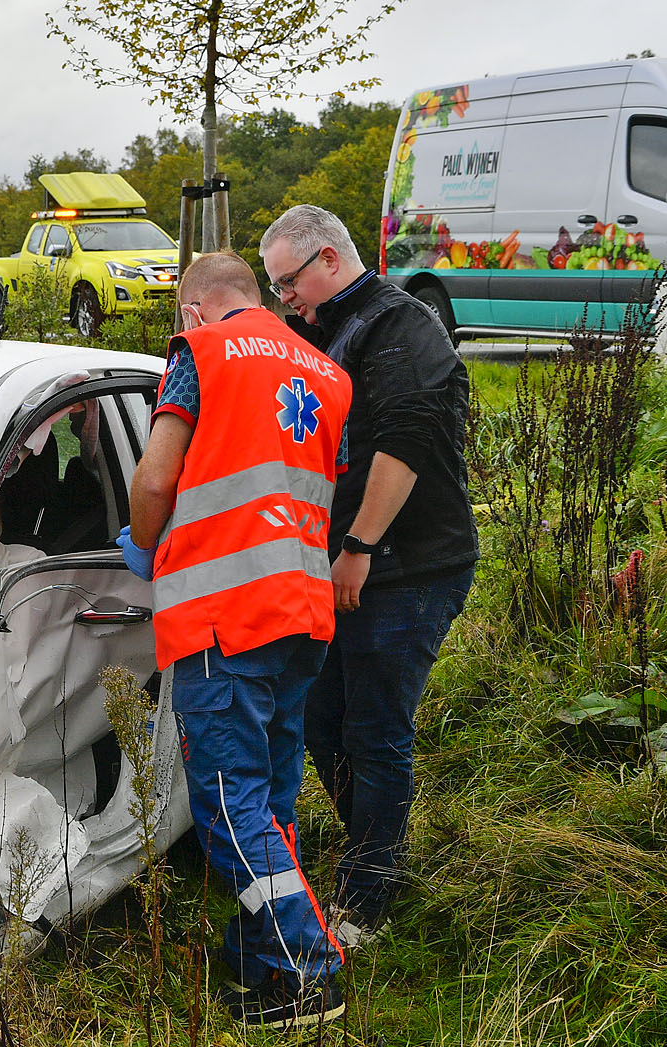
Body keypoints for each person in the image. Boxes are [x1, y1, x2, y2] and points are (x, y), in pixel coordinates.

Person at [119, 253, 352, 1028]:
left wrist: (145, 545)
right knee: (269, 800)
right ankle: (261, 960)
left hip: (225, 617)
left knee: (228, 802)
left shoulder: (201, 355)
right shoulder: (325, 371)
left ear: (193, 311)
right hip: (302, 612)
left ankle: (309, 970)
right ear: (256, 296)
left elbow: (157, 479)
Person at [260, 205, 479, 948]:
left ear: (328, 260)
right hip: (334, 567)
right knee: (323, 720)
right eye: (275, 287)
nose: (284, 297)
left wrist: (357, 544)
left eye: (289, 281)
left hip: (410, 565)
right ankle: (375, 849)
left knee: (376, 728)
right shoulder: (314, 331)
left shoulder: (399, 326)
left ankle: (367, 898)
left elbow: (406, 440)